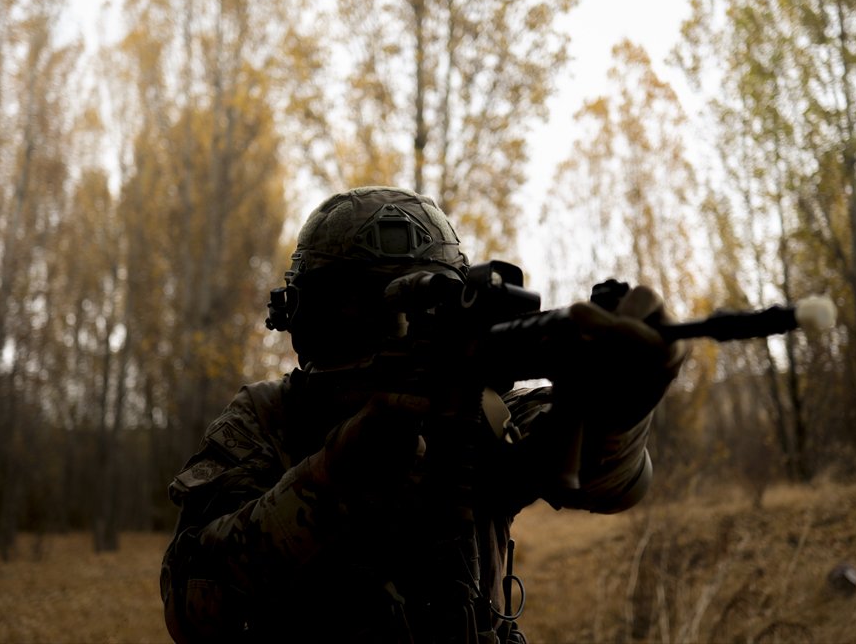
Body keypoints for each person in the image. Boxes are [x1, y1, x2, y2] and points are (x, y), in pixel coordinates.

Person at [160, 186, 685, 643]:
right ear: (310, 321)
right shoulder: (268, 418)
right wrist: (331, 478)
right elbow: (192, 604)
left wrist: (622, 399)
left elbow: (605, 478)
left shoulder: (483, 407)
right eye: (360, 313)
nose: (401, 335)